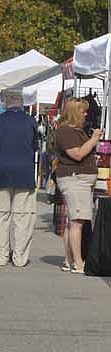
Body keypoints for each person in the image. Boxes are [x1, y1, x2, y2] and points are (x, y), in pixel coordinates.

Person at [0, 91, 38, 267]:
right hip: (25, 173)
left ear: (6, 104)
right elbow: (34, 148)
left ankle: (1, 255)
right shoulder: (31, 121)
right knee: (23, 217)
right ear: (22, 104)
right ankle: (20, 257)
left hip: (1, 172)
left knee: (0, 215)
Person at [55, 99, 103, 274]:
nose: (85, 115)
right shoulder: (66, 131)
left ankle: (69, 260)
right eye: (82, 112)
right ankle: (78, 262)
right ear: (75, 112)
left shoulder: (75, 131)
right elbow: (77, 154)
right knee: (77, 222)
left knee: (73, 222)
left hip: (80, 179)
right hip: (75, 179)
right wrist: (93, 140)